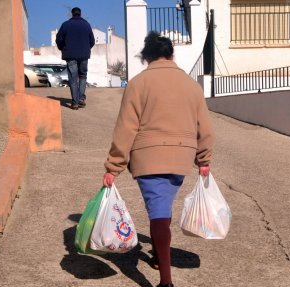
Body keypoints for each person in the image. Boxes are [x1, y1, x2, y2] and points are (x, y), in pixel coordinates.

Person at [102, 32, 214, 287]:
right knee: (162, 208)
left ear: (147, 56)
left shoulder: (138, 83)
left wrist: (114, 166)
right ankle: (158, 255)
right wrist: (203, 159)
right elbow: (205, 128)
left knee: (158, 213)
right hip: (181, 158)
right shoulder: (191, 85)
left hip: (148, 157)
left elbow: (126, 128)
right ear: (171, 54)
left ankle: (166, 281)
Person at [56, 7, 95, 110]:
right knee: (82, 76)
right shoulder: (86, 25)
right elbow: (92, 41)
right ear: (80, 14)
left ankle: (75, 103)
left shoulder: (65, 25)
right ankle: (81, 98)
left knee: (73, 79)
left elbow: (58, 39)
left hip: (70, 55)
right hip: (84, 55)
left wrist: (62, 48)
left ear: (72, 14)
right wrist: (86, 49)